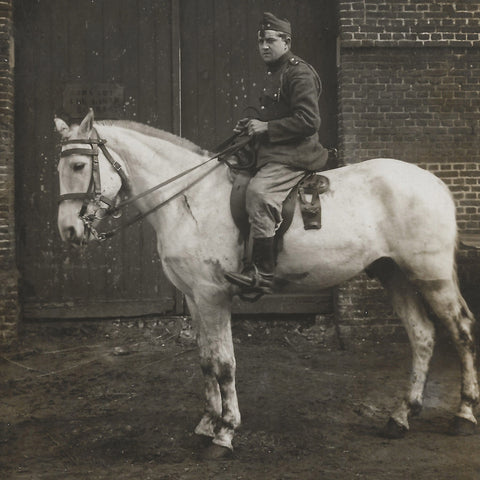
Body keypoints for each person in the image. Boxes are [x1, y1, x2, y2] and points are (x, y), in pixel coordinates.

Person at [225, 12, 329, 294]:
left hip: (296, 154)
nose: (264, 47)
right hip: (276, 151)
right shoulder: (276, 73)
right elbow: (279, 113)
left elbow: (309, 121)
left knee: (259, 193)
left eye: (270, 40)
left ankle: (263, 272)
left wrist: (267, 127)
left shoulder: (298, 72)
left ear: (286, 42)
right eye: (260, 41)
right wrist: (251, 126)